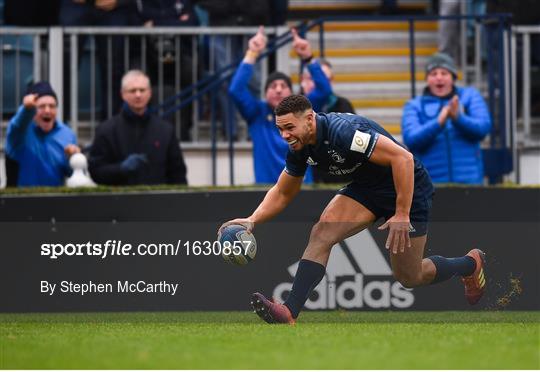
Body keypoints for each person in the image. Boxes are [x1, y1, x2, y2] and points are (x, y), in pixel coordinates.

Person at [219, 94, 487, 325]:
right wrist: (253, 220)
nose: (284, 135)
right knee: (322, 233)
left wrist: (402, 213)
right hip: (368, 188)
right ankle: (289, 311)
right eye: (280, 129)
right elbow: (283, 191)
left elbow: (402, 158)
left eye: (289, 127)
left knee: (409, 276)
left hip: (408, 186)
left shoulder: (344, 132)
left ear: (310, 119)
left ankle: (469, 264)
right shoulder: (298, 146)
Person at [228, 27, 332, 184]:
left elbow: (324, 90)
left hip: (301, 191)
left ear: (291, 92)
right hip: (266, 192)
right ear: (265, 93)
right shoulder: (256, 113)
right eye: (273, 86)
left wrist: (308, 57)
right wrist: (252, 53)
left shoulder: (302, 111)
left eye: (283, 86)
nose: (278, 89)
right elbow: (236, 90)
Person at [401, 52, 491, 185]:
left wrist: (458, 118)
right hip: (430, 186)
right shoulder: (414, 105)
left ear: (453, 77)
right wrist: (438, 123)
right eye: (433, 74)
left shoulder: (470, 96)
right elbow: (411, 139)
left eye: (444, 73)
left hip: (470, 184)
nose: (439, 78)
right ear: (427, 79)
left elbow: (483, 128)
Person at [88, 70, 188, 185]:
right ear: (123, 94)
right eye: (132, 91)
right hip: (118, 201)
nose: (138, 95)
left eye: (142, 90)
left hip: (157, 201)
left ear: (150, 93)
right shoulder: (106, 130)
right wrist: (120, 169)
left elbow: (178, 174)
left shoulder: (165, 130)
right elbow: (95, 171)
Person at [6, 82, 81, 187]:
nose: (47, 110)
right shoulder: (20, 133)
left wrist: (73, 159)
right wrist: (26, 109)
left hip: (54, 200)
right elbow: (16, 125)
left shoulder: (67, 134)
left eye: (52, 106)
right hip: (21, 200)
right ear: (33, 110)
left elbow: (71, 174)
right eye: (41, 106)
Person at [301, 57, 356, 184]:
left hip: (342, 181)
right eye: (313, 78)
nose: (317, 83)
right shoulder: (297, 108)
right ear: (302, 80)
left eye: (325, 79)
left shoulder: (344, 105)